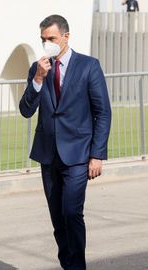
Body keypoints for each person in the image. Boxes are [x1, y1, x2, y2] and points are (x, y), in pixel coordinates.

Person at [19, 15, 111, 270]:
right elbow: (26, 110)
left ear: (65, 38)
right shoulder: (38, 69)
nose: (46, 43)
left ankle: (77, 266)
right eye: (43, 39)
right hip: (48, 155)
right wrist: (38, 79)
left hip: (79, 155)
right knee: (58, 219)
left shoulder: (88, 66)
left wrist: (97, 154)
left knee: (72, 212)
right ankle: (67, 265)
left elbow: (102, 112)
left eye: (51, 38)